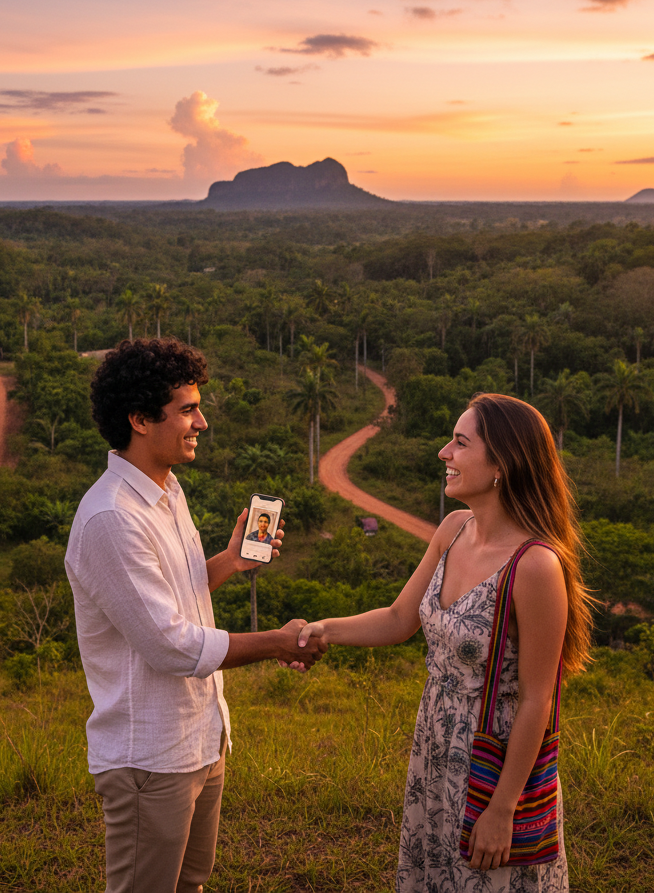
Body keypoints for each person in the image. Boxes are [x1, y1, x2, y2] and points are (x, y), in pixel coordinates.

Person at [297, 393, 593, 892]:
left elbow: (538, 698)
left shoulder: (535, 564)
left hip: (492, 758)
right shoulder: (454, 530)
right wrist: (322, 629)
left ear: (504, 462)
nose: (444, 454)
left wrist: (503, 808)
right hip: (435, 744)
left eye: (459, 443)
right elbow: (398, 619)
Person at [65, 338, 326, 893]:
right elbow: (171, 644)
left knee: (191, 884)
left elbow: (173, 594)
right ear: (139, 419)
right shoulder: (111, 518)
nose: (201, 422)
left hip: (200, 738)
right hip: (151, 755)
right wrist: (278, 642)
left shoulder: (167, 491)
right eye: (187, 409)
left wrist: (229, 562)